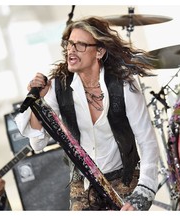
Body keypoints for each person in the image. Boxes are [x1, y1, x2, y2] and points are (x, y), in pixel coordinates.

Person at [15, 16, 159, 211]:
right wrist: (38, 103)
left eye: (80, 45)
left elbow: (146, 139)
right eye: (69, 44)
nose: (71, 50)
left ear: (99, 51)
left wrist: (144, 190)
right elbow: (37, 144)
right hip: (82, 184)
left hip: (123, 179)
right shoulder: (59, 86)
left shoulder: (123, 84)